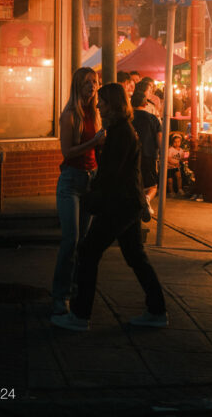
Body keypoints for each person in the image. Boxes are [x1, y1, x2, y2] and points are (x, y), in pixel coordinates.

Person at [51, 82, 168, 331]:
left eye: (102, 102)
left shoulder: (120, 132)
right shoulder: (119, 130)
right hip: (128, 203)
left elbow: (112, 174)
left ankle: (80, 315)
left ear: (113, 104)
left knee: (88, 252)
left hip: (119, 205)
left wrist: (93, 197)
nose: (99, 106)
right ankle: (157, 310)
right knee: (136, 256)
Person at [51, 66, 106, 316]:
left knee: (82, 242)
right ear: (77, 86)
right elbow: (67, 152)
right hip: (71, 182)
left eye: (94, 82)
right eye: (86, 82)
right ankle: (60, 295)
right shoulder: (70, 114)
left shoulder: (96, 113)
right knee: (70, 239)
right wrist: (95, 141)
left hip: (90, 180)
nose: (92, 86)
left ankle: (74, 290)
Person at [132, 85, 162, 210]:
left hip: (132, 156)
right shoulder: (153, 119)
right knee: (152, 186)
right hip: (149, 155)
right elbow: (160, 140)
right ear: (145, 104)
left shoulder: (128, 118)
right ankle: (147, 199)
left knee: (134, 184)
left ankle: (138, 206)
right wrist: (162, 155)